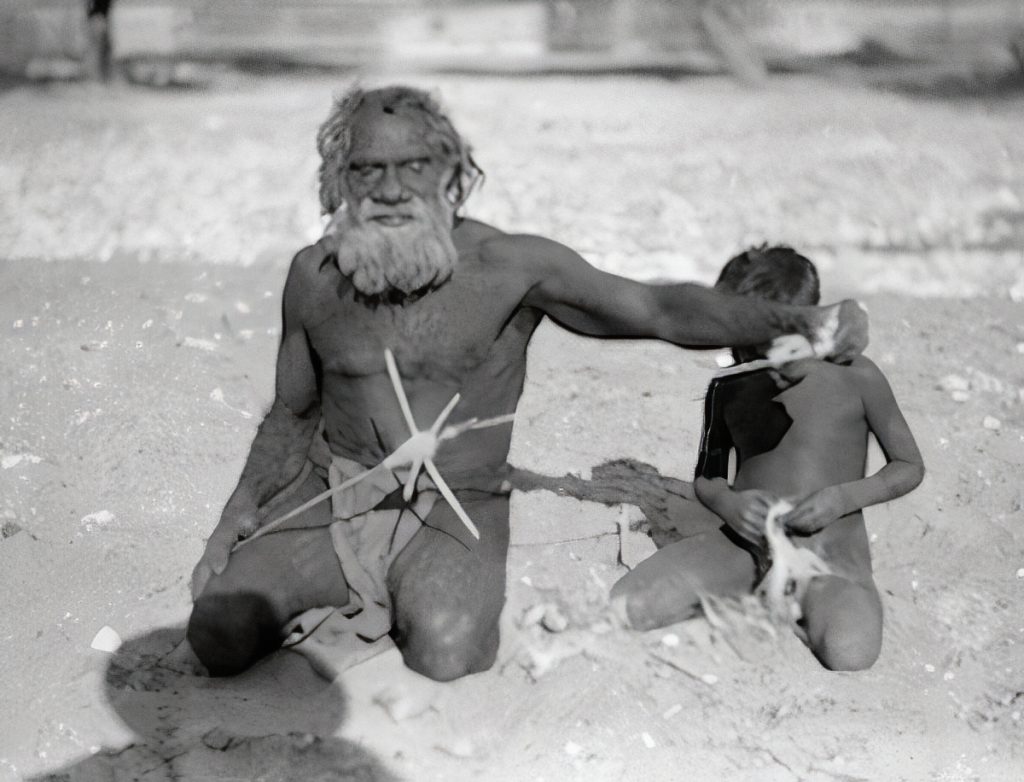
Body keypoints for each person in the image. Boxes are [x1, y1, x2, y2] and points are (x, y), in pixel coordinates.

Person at [187, 87, 870, 682]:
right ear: (341, 177)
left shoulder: (510, 268)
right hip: (333, 498)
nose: (391, 189)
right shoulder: (314, 276)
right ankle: (340, 591)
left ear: (450, 171)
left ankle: (401, 596)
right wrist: (234, 515)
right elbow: (291, 410)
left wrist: (799, 319)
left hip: (450, 511)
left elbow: (660, 309)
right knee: (216, 635)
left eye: (412, 167)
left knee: (448, 652)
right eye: (369, 169)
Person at [611, 245, 924, 671]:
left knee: (850, 652)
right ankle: (754, 601)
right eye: (743, 345)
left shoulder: (857, 376)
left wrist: (842, 499)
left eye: (768, 346)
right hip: (744, 549)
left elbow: (908, 466)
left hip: (829, 560)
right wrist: (729, 504)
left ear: (808, 324)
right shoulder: (729, 387)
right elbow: (708, 477)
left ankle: (785, 607)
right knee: (626, 606)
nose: (752, 359)